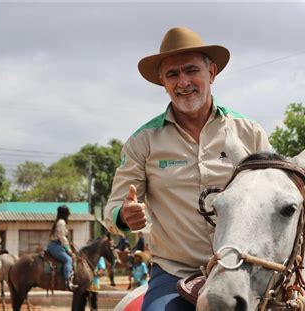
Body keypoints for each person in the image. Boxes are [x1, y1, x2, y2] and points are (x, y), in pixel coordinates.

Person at [104, 26, 271, 310]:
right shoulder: (142, 142)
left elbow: (272, 199)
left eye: (191, 70)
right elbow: (113, 208)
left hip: (244, 270)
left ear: (212, 73)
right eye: (172, 74)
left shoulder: (249, 133)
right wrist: (124, 215)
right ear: (163, 82)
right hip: (176, 274)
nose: (183, 82)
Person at [47, 205, 78, 290]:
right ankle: (68, 282)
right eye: (68, 213)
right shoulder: (61, 222)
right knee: (68, 259)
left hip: (55, 245)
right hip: (56, 245)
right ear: (65, 213)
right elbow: (62, 237)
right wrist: (69, 250)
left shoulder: (57, 221)